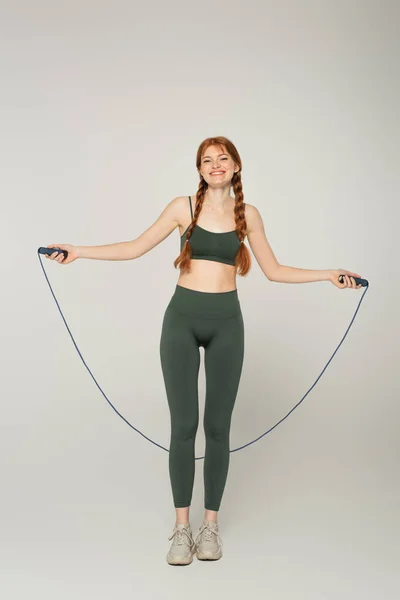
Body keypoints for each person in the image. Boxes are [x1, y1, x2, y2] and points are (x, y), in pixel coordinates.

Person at [45, 135, 362, 566]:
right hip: (181, 321)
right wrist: (78, 251)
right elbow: (135, 247)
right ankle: (181, 529)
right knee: (183, 426)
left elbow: (274, 270)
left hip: (227, 325)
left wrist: (329, 275)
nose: (215, 165)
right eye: (207, 160)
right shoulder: (183, 208)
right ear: (199, 169)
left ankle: (209, 526)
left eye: (223, 158)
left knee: (217, 428)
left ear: (235, 166)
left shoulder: (247, 215)